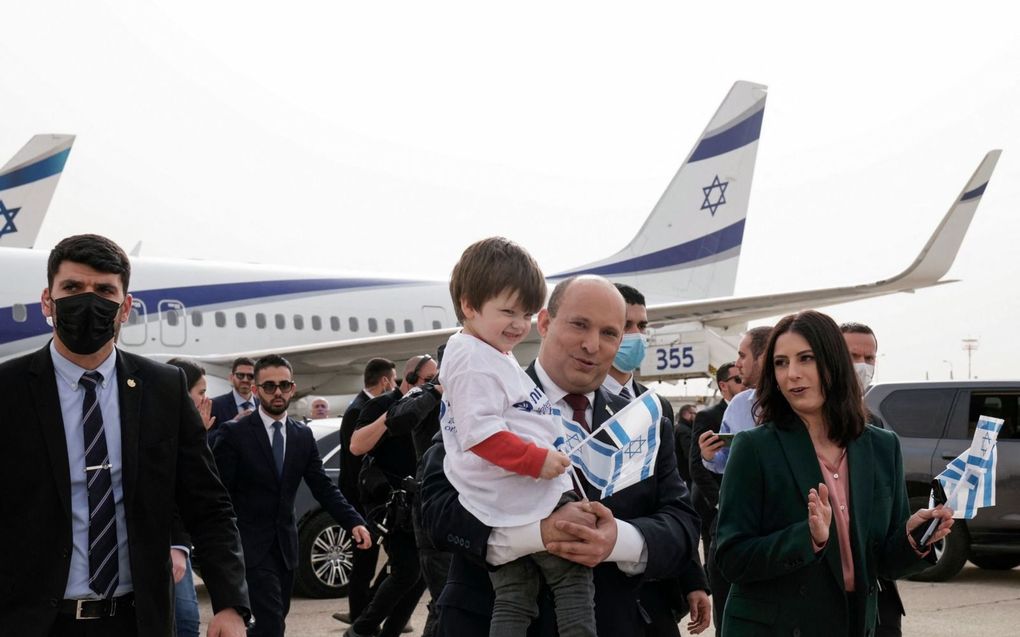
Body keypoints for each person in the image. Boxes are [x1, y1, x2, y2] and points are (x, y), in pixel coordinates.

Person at [421, 275, 702, 637]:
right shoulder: (486, 395)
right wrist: (539, 533)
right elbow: (436, 510)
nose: (591, 345)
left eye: (609, 334)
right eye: (579, 325)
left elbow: (681, 524)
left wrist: (617, 540)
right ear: (544, 322)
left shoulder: (643, 422)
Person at [0, 233, 249, 636]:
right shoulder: (8, 390)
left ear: (126, 307)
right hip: (31, 621)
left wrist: (230, 603)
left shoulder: (165, 388)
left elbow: (208, 505)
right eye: (73, 288)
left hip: (136, 621)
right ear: (47, 300)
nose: (88, 300)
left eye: (103, 290)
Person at [714, 310, 955, 635]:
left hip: (857, 622)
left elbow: (884, 563)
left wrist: (913, 538)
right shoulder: (754, 448)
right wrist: (807, 539)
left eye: (806, 359)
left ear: (834, 363)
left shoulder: (883, 447)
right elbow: (731, 558)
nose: (792, 375)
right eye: (781, 363)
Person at [439, 237, 596, 637]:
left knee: (514, 594)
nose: (518, 324)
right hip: (522, 492)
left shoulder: (486, 350)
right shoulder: (474, 360)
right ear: (469, 306)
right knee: (572, 578)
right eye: (507, 311)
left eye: (525, 313)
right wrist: (536, 460)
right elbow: (481, 434)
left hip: (500, 499)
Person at [210, 354, 372, 637]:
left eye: (284, 385)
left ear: (292, 388)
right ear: (257, 389)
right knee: (271, 622)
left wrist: (353, 521)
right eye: (269, 386)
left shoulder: (301, 435)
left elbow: (322, 485)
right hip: (248, 547)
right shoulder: (235, 433)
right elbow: (218, 494)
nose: (277, 392)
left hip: (285, 548)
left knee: (275, 621)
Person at [602, 282, 710, 635]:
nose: (635, 336)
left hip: (654, 588)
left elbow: (673, 496)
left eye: (642, 326)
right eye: (624, 326)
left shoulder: (656, 405)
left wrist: (693, 577)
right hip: (601, 589)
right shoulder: (574, 401)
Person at [344, 355, 438, 637]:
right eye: (428, 381)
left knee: (420, 576)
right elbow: (357, 446)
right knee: (406, 571)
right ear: (409, 380)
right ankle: (361, 629)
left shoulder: (431, 407)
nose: (433, 386)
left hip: (423, 503)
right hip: (392, 504)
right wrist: (395, 414)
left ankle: (390, 631)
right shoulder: (381, 404)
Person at [840, 321, 903, 637]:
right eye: (853, 356)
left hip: (877, 599)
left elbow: (893, 520)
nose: (863, 366)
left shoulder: (877, 429)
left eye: (870, 358)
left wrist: (918, 536)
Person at [335, 357, 398, 626]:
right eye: (393, 380)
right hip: (360, 502)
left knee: (394, 560)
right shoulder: (358, 410)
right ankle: (361, 616)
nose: (394, 386)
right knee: (363, 563)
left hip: (369, 501)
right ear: (384, 381)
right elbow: (355, 463)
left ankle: (375, 607)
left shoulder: (362, 407)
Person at [165, 357, 213, 637]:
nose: (206, 400)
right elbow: (173, 490)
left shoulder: (191, 434)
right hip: (163, 542)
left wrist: (199, 438)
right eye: (201, 393)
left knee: (185, 622)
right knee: (184, 621)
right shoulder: (154, 432)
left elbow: (203, 487)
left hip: (179, 544)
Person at [689, 363, 742, 549]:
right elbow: (697, 464)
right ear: (723, 386)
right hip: (714, 501)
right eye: (738, 379)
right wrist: (719, 500)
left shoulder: (753, 411)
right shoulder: (708, 416)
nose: (744, 383)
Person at [210, 356, 258, 426]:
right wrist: (233, 423)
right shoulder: (215, 405)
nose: (245, 380)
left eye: (250, 376)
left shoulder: (263, 405)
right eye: (240, 375)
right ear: (231, 377)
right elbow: (208, 435)